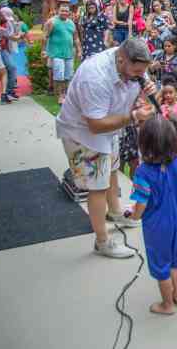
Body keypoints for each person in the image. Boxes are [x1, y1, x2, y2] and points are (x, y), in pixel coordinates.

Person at [56, 39, 156, 258]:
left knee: (111, 170)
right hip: (83, 134)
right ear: (121, 60)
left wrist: (147, 85)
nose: (140, 75)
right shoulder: (95, 77)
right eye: (137, 72)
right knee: (97, 186)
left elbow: (139, 78)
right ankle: (102, 242)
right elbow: (95, 124)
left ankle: (115, 213)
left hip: (110, 126)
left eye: (143, 72)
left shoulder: (131, 63)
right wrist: (133, 117)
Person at [128, 117, 177, 315]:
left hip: (156, 226)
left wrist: (134, 215)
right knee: (173, 260)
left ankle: (167, 305)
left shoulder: (142, 172)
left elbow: (141, 203)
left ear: (144, 144)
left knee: (161, 266)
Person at [42, 3, 81, 105]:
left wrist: (79, 50)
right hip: (56, 54)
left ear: (69, 12)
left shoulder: (71, 23)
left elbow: (76, 38)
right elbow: (45, 37)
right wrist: (44, 51)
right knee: (59, 75)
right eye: (62, 10)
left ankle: (66, 95)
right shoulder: (52, 22)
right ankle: (60, 96)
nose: (64, 13)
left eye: (66, 11)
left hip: (69, 54)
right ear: (58, 11)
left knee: (68, 76)